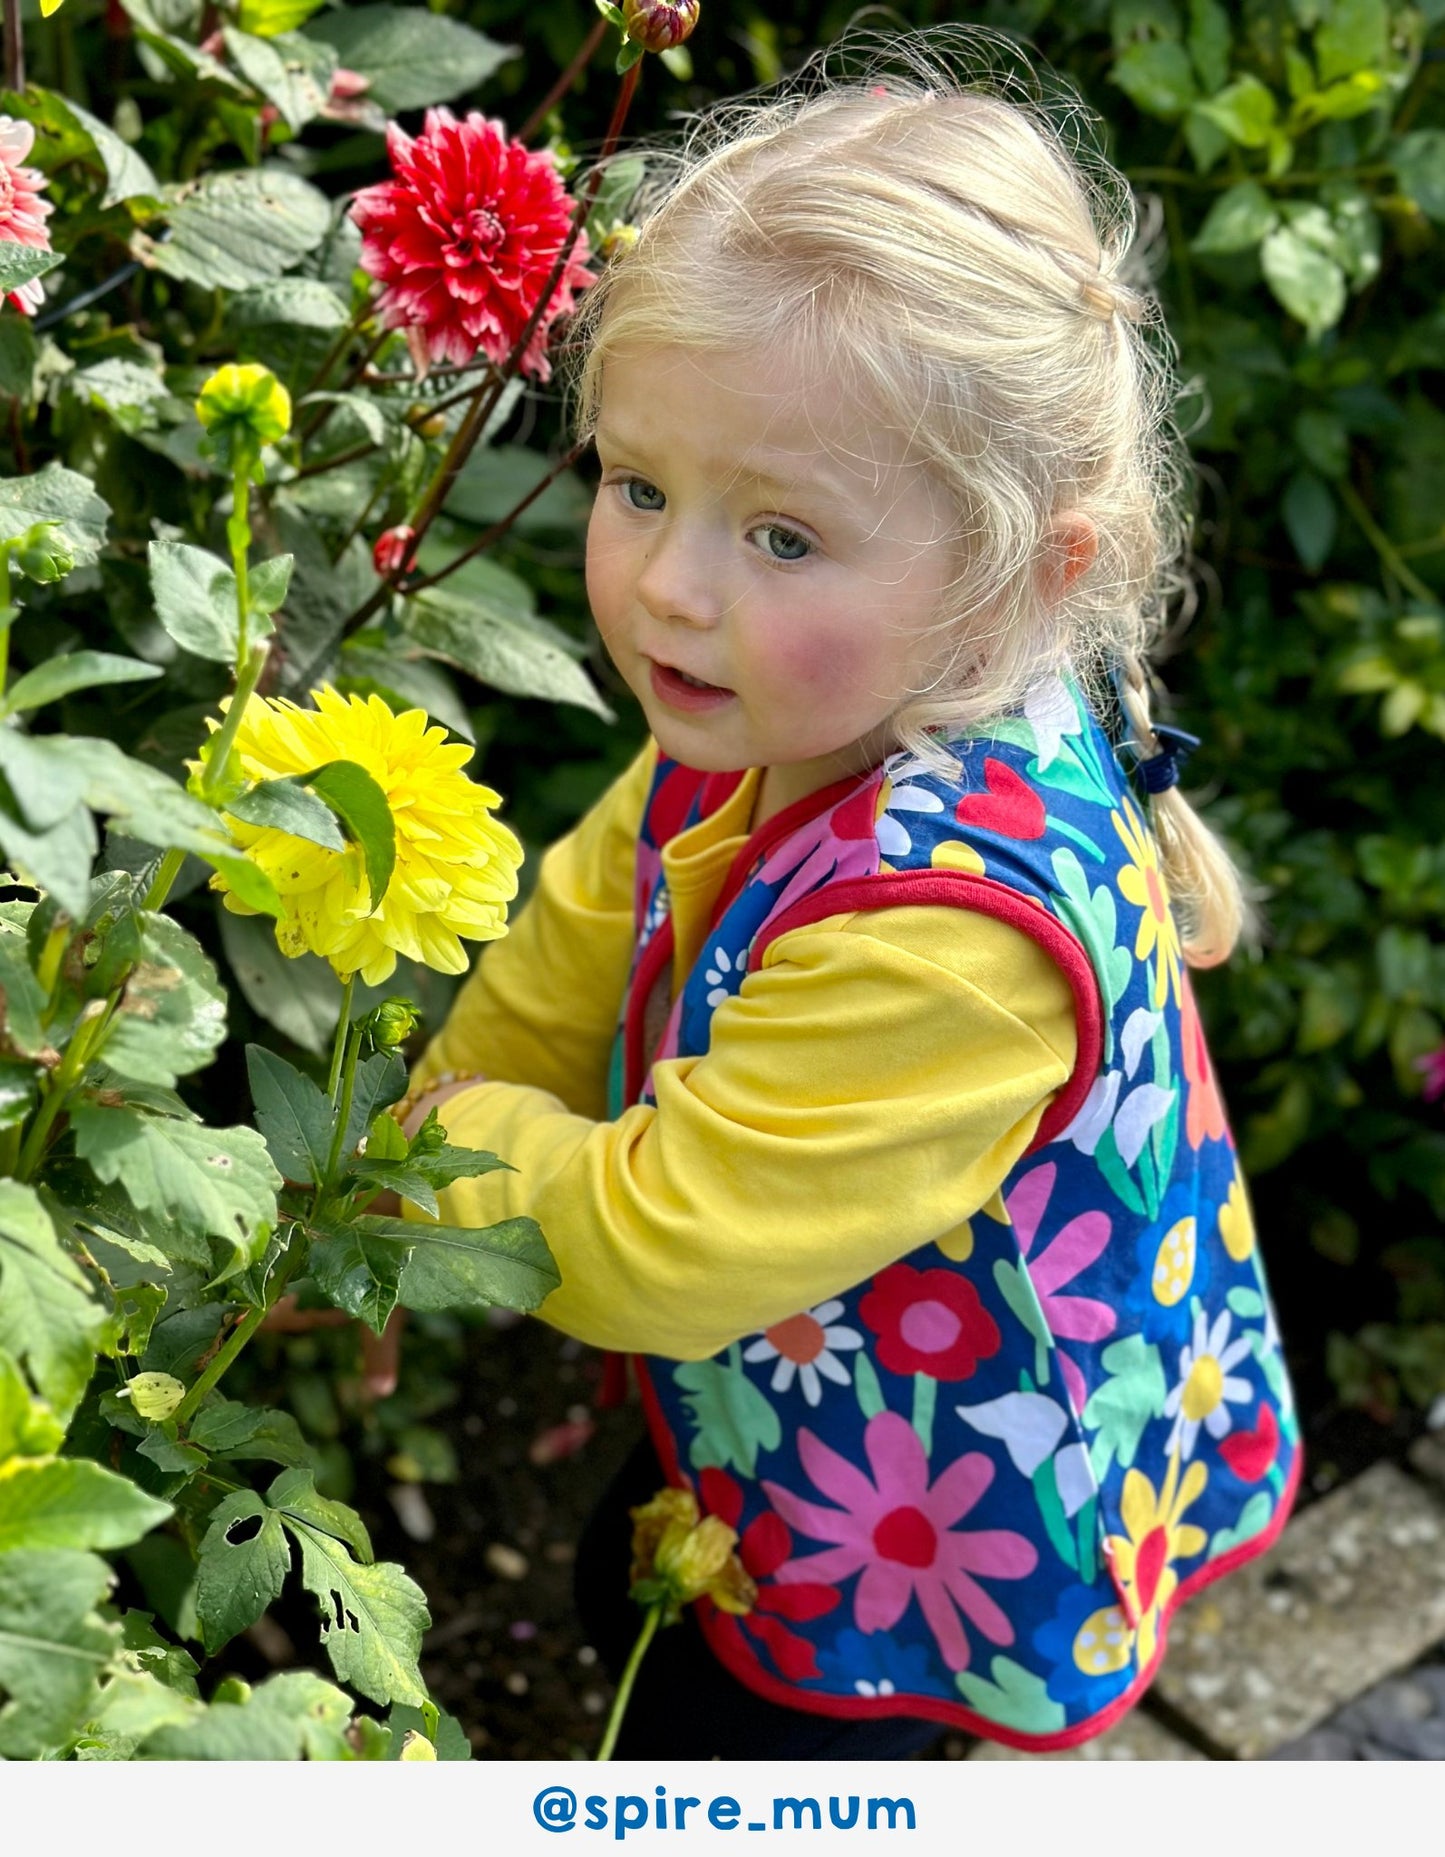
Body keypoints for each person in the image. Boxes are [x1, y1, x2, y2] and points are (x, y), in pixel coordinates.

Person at [397, 31, 1300, 1759]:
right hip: (813, 1341)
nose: (669, 585)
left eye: (782, 536)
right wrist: (433, 1120)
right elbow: (590, 914)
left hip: (936, 1488)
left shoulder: (950, 942)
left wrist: (437, 1154)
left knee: (771, 1748)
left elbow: (654, 1241)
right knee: (641, 1597)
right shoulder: (796, 697)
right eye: (639, 486)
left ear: (1017, 576)